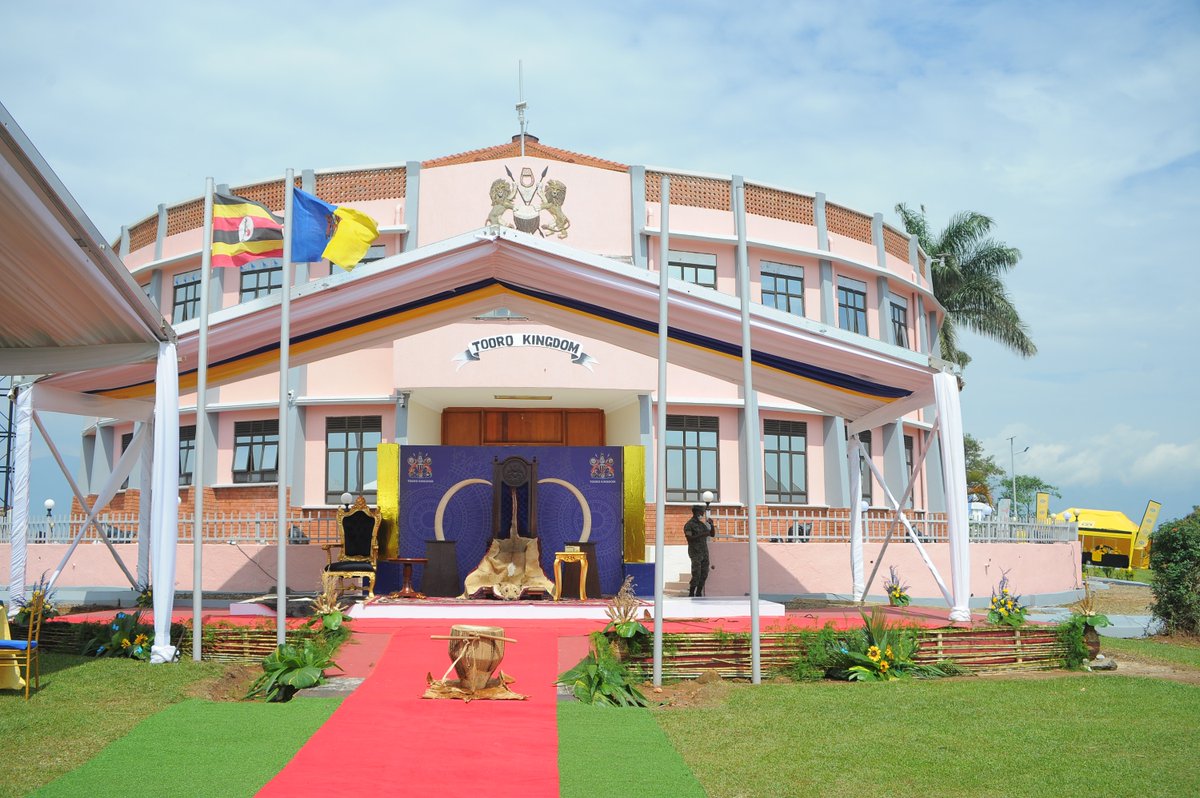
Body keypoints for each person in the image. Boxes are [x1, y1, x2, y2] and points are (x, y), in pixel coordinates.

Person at [684, 504, 715, 597]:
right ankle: (691, 593)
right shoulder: (689, 525)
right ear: (696, 512)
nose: (702, 514)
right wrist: (702, 534)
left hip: (704, 552)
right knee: (696, 573)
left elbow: (712, 534)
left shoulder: (702, 525)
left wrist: (712, 525)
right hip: (695, 553)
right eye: (701, 512)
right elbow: (689, 538)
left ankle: (698, 592)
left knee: (704, 573)